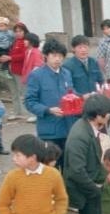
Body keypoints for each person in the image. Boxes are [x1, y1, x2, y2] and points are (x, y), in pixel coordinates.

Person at [64, 96, 110, 214]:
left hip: (91, 186)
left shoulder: (88, 128)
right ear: (98, 115)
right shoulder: (80, 136)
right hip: (85, 191)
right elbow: (76, 170)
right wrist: (95, 189)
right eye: (107, 114)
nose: (109, 117)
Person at [24, 38, 75, 168]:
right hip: (49, 130)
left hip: (68, 128)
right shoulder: (37, 75)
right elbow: (29, 102)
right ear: (46, 56)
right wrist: (47, 110)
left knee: (67, 166)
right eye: (54, 55)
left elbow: (71, 93)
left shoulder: (66, 73)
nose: (57, 59)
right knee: (49, 167)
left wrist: (81, 98)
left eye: (60, 56)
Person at [1, 22, 28, 120]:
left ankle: (29, 113)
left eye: (20, 31)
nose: (18, 33)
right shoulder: (14, 41)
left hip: (20, 70)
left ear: (25, 31)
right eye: (16, 31)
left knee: (23, 92)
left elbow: (24, 55)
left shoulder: (26, 42)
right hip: (11, 69)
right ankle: (17, 112)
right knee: (14, 92)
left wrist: (10, 58)